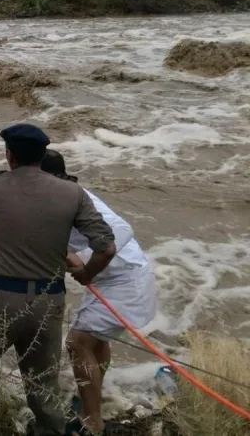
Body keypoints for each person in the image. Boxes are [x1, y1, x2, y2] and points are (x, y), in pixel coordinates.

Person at [0, 123, 117, 436]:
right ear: (42, 155)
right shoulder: (73, 193)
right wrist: (86, 274)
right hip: (47, 300)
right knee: (43, 380)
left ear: (9, 155)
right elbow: (106, 247)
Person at [41, 149, 158, 436]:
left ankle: (92, 421)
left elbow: (120, 232)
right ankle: (91, 401)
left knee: (78, 342)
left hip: (125, 279)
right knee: (95, 341)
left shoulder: (77, 199)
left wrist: (86, 269)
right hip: (111, 277)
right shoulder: (55, 195)